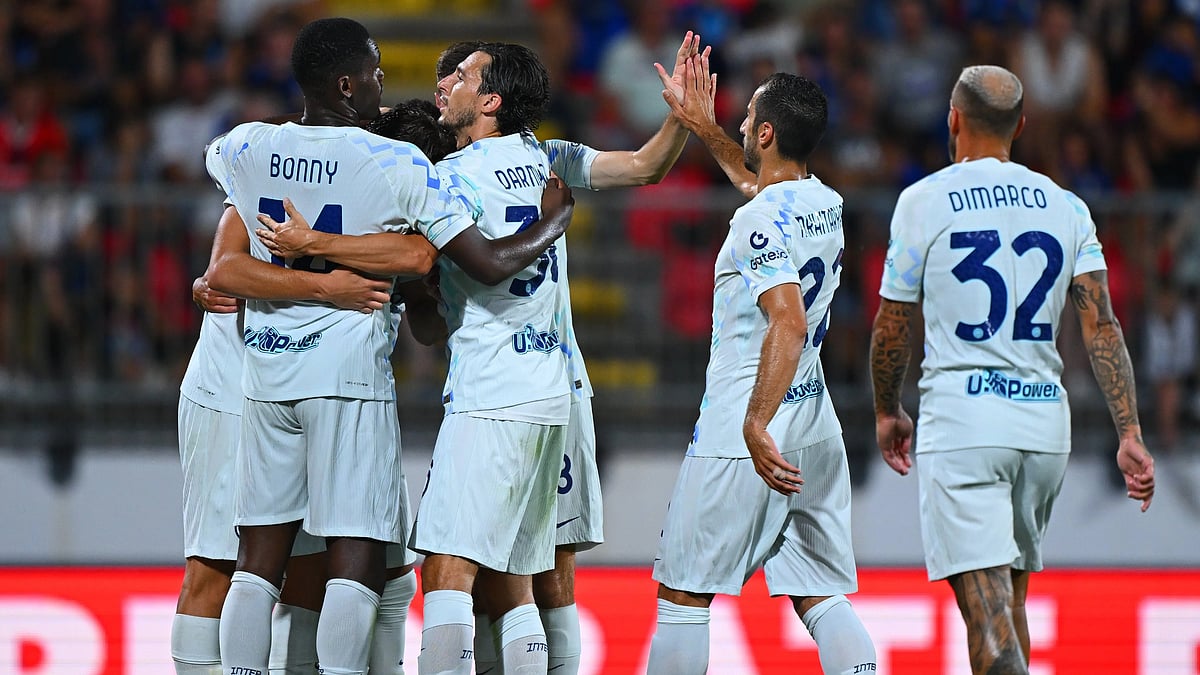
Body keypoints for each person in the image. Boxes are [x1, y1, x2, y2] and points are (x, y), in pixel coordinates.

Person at [204, 19, 572, 675]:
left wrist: (295, 248)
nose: (384, 84)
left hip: (266, 374)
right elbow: (427, 251)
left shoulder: (246, 146)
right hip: (346, 377)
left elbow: (223, 252)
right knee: (359, 555)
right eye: (374, 73)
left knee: (259, 555)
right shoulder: (395, 162)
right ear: (347, 84)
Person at [430, 34, 705, 674]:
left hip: (494, 389)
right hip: (559, 385)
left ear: (491, 99)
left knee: (456, 565)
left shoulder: (445, 178)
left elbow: (457, 262)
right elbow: (645, 166)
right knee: (539, 566)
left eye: (462, 76)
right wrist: (680, 121)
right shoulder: (546, 157)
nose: (445, 83)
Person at [868, 65, 1156, 675]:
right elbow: (1100, 324)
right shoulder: (1068, 208)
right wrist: (1129, 431)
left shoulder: (922, 201)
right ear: (1020, 126)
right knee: (1010, 601)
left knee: (988, 618)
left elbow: (893, 323)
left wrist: (887, 408)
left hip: (966, 423)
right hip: (1043, 430)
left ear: (953, 119)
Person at [175, 99, 463, 675]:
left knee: (341, 571)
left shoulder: (390, 206)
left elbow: (425, 313)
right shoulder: (283, 165)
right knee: (218, 565)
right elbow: (222, 270)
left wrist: (422, 286)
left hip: (316, 385)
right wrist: (323, 286)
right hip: (236, 382)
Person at [645, 70, 877, 675]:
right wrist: (705, 129)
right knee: (820, 591)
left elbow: (789, 321)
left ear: (768, 132)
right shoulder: (825, 202)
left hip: (747, 429)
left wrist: (754, 422)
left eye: (748, 117)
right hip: (815, 421)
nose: (741, 124)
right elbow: (760, 187)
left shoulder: (756, 222)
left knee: (685, 593)